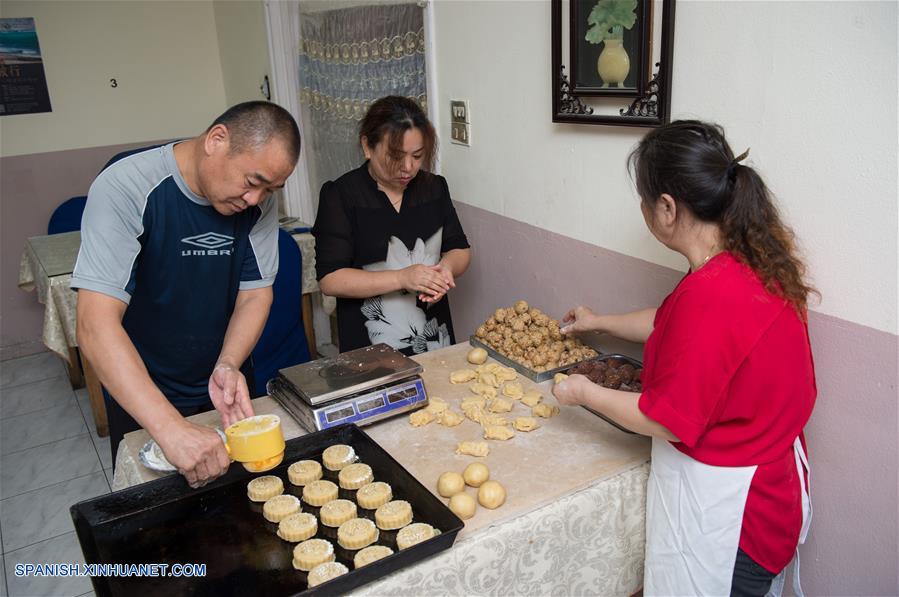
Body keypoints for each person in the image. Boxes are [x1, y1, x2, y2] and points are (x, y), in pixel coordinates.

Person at [553, 121, 817, 596]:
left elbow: (666, 420)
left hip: (732, 519)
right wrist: (600, 321)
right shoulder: (744, 262)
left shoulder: (713, 295)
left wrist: (582, 392)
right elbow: (669, 323)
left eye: (643, 200)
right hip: (771, 492)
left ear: (667, 208)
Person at [72, 101, 301, 489]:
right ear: (216, 140)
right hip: (143, 385)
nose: (255, 199)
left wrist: (228, 363)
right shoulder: (126, 186)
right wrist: (170, 428)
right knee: (158, 508)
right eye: (252, 181)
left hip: (222, 377)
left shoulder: (257, 201)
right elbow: (94, 323)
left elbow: (255, 295)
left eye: (270, 189)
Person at [312, 96, 471, 355]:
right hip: (370, 346)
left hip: (433, 339)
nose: (408, 168)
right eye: (395, 156)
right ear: (367, 146)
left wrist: (445, 270)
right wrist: (402, 277)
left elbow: (459, 249)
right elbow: (331, 280)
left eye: (417, 156)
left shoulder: (434, 188)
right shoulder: (341, 196)